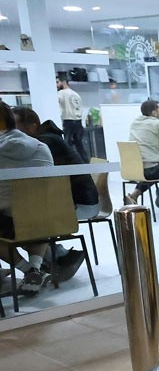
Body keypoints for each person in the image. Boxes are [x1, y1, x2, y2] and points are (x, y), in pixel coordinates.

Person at [11, 106, 94, 281]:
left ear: (33, 125)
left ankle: (51, 260)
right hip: (67, 200)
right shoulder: (45, 140)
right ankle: (50, 259)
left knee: (20, 223)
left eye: (15, 125)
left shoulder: (43, 144)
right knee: (20, 221)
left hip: (80, 204)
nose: (13, 131)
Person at [0, 101, 56, 294]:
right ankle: (34, 270)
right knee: (33, 213)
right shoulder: (42, 146)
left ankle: (26, 269)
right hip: (48, 220)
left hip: (13, 221)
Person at [56, 76, 87, 162]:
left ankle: (69, 166)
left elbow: (55, 101)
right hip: (78, 123)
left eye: (57, 82)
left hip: (69, 122)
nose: (57, 85)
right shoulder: (76, 94)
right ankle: (86, 165)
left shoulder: (61, 93)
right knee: (80, 148)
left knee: (66, 147)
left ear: (63, 82)